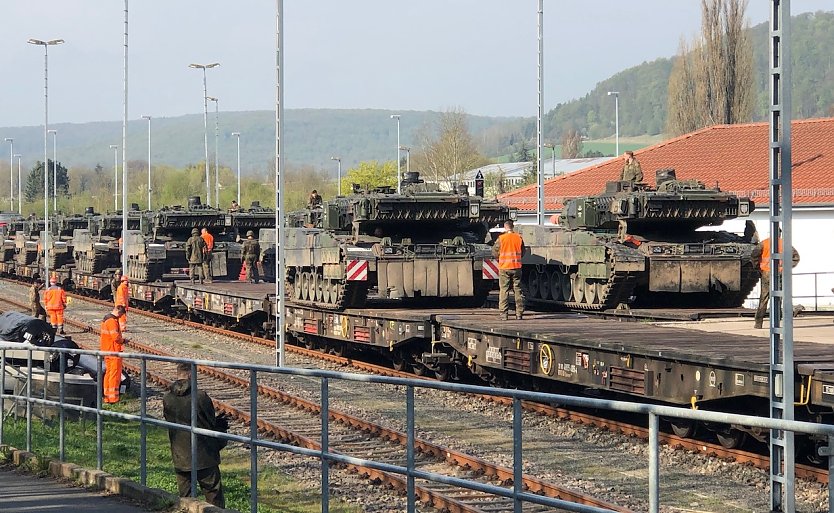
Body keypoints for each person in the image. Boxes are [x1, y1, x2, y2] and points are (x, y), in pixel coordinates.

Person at [162, 362, 225, 508]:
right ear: (191, 375)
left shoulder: (167, 397)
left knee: (186, 498)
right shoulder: (201, 396)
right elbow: (209, 422)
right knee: (213, 494)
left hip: (180, 455)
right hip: (204, 454)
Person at [752, 237, 800, 329]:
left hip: (766, 272)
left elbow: (754, 255)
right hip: (780, 272)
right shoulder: (785, 243)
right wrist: (786, 267)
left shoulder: (764, 243)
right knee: (778, 297)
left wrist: (758, 267)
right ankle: (776, 322)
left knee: (764, 298)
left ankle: (758, 323)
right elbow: (795, 257)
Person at [491, 220, 525, 320]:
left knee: (504, 290)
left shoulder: (501, 238)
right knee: (517, 289)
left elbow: (495, 252)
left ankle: (504, 314)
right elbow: (523, 252)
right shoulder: (518, 237)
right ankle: (519, 314)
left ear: (505, 227)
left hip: (504, 267)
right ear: (512, 227)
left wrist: (500, 257)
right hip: (517, 267)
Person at [100, 305, 126, 404]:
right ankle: (113, 398)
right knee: (114, 375)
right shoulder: (112, 321)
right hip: (113, 351)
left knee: (108, 374)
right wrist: (123, 341)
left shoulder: (106, 319)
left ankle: (107, 396)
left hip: (107, 350)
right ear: (119, 312)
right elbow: (115, 337)